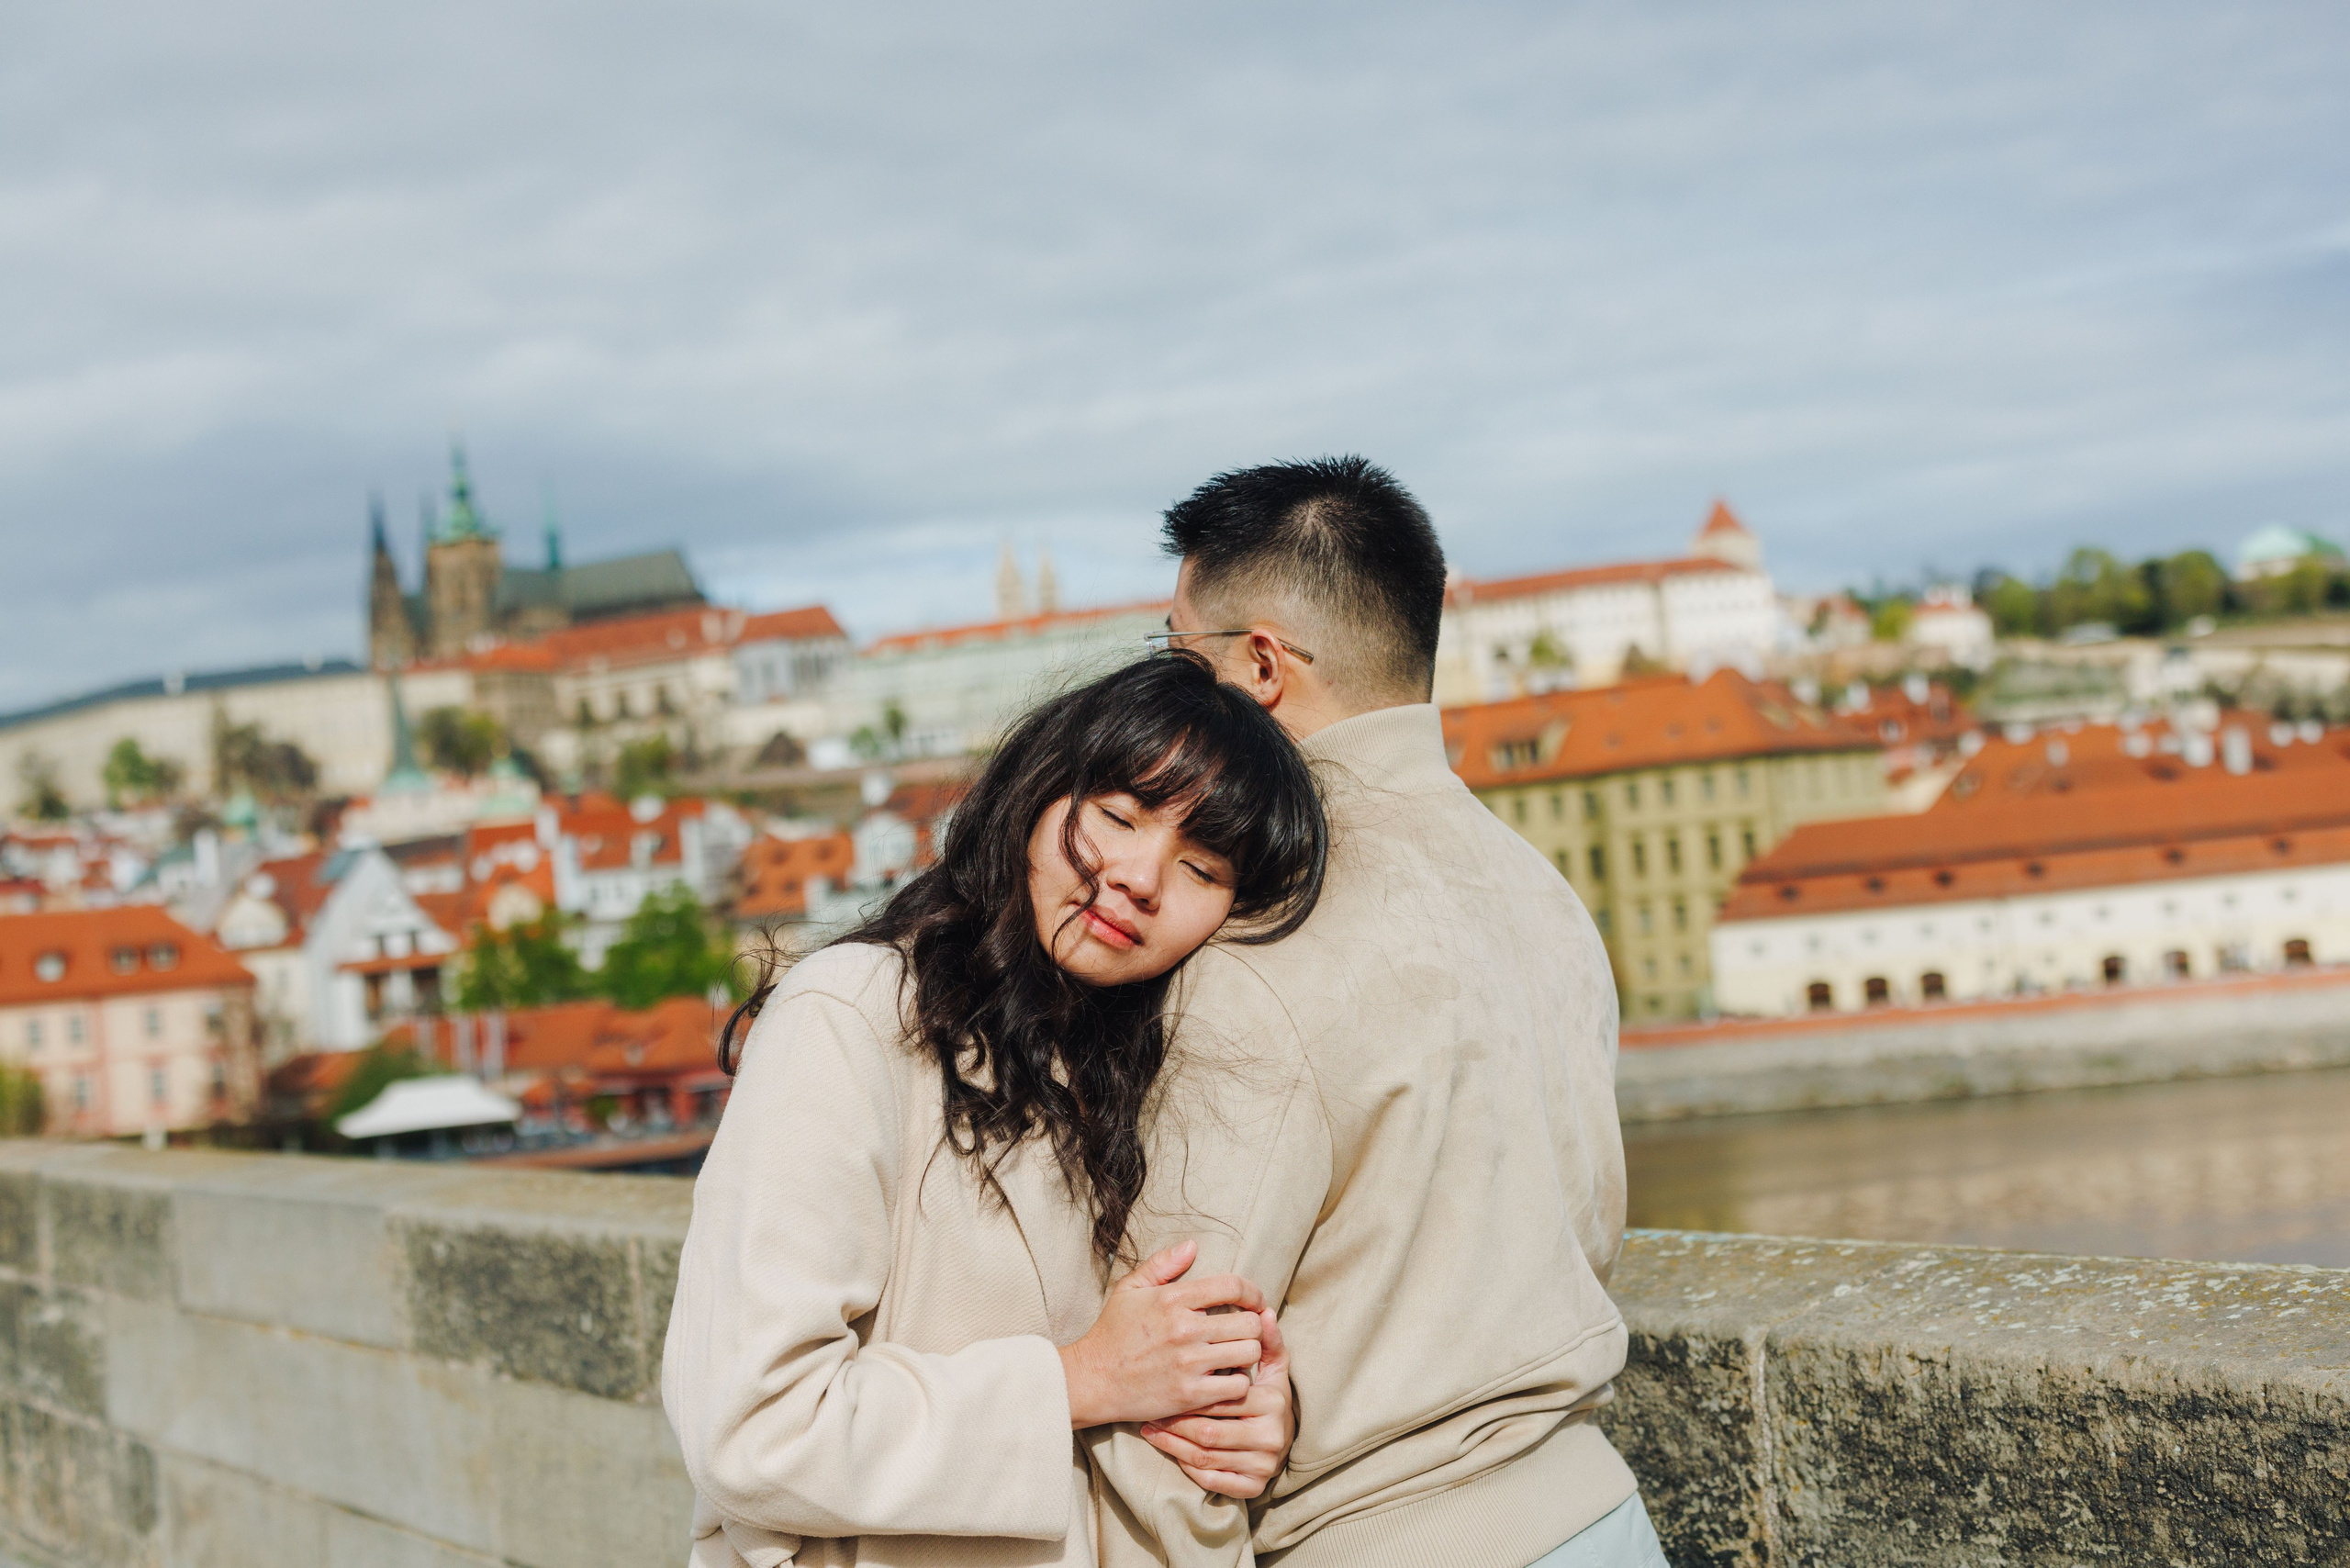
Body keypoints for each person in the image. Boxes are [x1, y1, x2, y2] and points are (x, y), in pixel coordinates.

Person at [1085, 457, 1667, 1568]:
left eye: (1177, 655)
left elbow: (1183, 1388)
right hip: (1600, 1517)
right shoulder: (1542, 892)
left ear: (1257, 665)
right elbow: (1586, 1231)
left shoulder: (1255, 935)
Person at [665, 652, 1327, 1567]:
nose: (1139, 877)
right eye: (1119, 816)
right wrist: (1081, 1379)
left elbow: (1144, 1362)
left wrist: (1245, 1419)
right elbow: (752, 1430)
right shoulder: (851, 1016)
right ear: (1038, 794)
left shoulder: (1136, 1062)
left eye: (1201, 866)